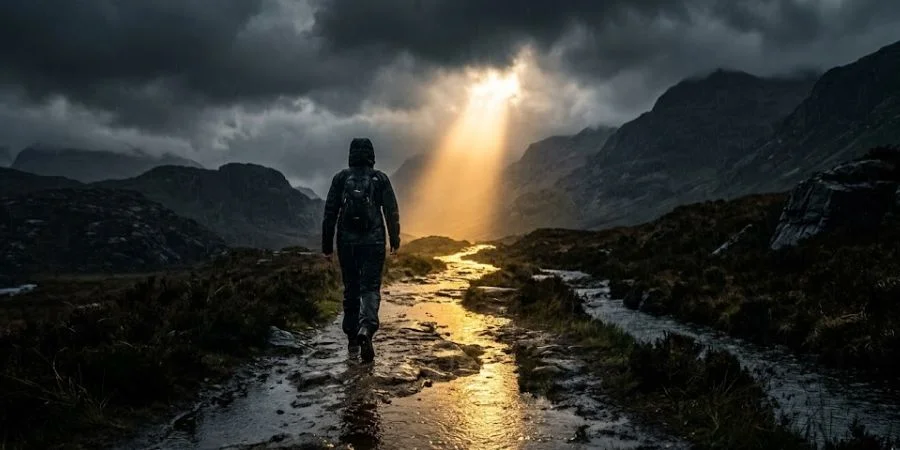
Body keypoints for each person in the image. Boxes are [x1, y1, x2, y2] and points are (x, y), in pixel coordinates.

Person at [322, 138, 401, 362]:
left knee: (351, 288)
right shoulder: (380, 179)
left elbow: (330, 214)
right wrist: (394, 240)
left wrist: (327, 247)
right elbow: (391, 211)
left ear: (351, 154)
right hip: (374, 241)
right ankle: (366, 328)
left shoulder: (340, 178)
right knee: (370, 288)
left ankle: (351, 339)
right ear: (371, 155)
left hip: (346, 242)